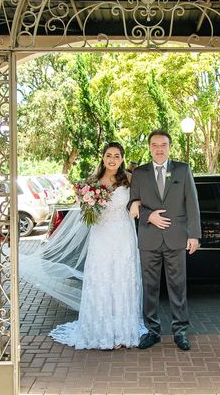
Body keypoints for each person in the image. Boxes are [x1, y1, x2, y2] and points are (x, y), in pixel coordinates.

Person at [49, 142, 145, 349]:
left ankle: (121, 331)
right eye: (109, 155)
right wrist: (86, 202)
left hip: (123, 235)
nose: (112, 159)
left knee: (121, 279)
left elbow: (140, 200)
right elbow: (86, 211)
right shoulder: (91, 182)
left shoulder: (129, 179)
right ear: (103, 157)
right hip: (100, 236)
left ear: (122, 159)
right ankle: (99, 330)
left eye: (117, 156)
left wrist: (137, 203)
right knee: (101, 279)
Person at [129, 129, 201, 351]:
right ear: (149, 147)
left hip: (176, 238)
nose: (159, 149)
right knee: (149, 288)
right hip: (149, 239)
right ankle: (152, 331)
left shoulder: (183, 169)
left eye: (163, 145)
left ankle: (180, 332)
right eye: (155, 145)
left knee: (177, 287)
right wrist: (147, 215)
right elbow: (132, 203)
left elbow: (192, 203)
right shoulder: (140, 173)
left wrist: (194, 235)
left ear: (170, 147)